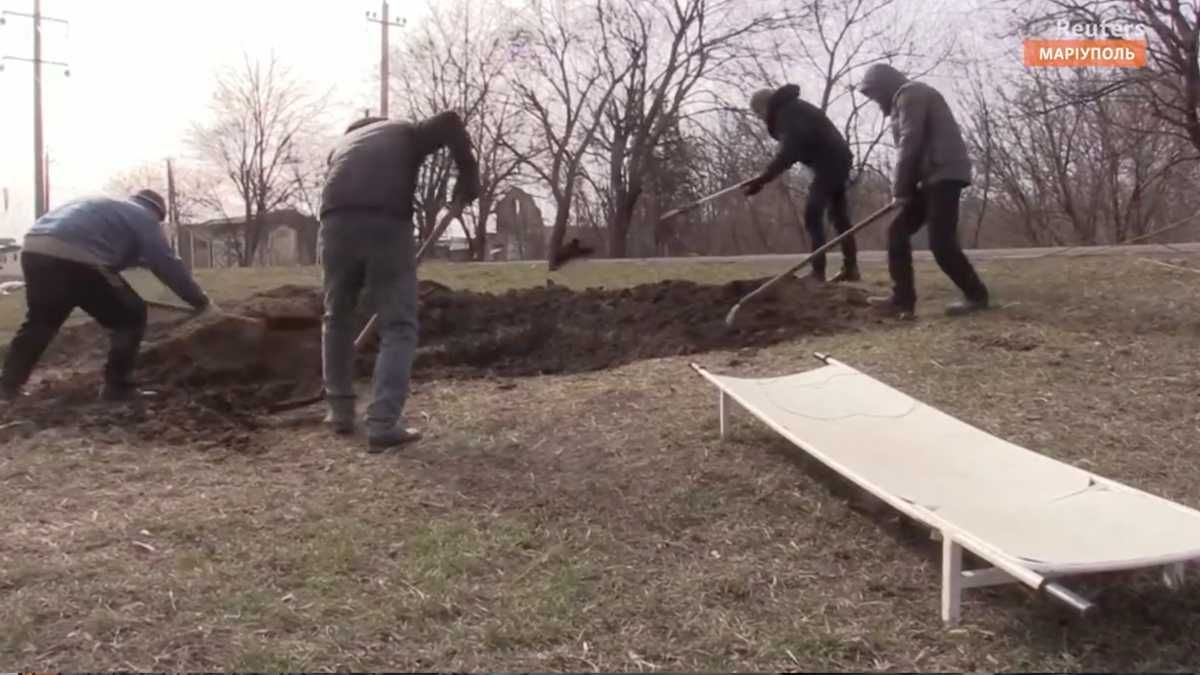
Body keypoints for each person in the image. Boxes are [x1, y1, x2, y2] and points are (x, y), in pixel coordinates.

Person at [319, 111, 480, 452]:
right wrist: (468, 178)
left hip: (333, 225)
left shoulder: (342, 146)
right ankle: (382, 424)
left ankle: (339, 410)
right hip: (386, 222)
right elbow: (451, 121)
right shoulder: (403, 130)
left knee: (337, 317)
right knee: (398, 325)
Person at [0, 189, 215, 402]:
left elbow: (120, 255)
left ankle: (7, 386)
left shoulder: (108, 208)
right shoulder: (144, 217)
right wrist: (200, 300)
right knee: (131, 315)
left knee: (41, 322)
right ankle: (118, 388)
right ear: (158, 213)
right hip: (77, 257)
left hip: (34, 249)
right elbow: (166, 263)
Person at [856, 64, 990, 318]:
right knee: (897, 231)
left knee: (941, 243)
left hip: (944, 174)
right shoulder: (904, 100)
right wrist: (909, 186)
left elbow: (910, 141)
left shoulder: (911, 94)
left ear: (886, 86)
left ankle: (976, 296)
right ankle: (902, 301)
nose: (876, 101)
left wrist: (900, 189)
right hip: (928, 178)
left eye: (875, 94)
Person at [743, 84, 860, 283]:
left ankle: (818, 272)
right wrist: (763, 178)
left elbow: (790, 151)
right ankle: (851, 270)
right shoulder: (792, 109)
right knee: (839, 217)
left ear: (764, 107)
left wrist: (764, 178)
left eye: (758, 114)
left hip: (830, 163)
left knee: (813, 214)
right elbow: (797, 147)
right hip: (836, 160)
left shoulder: (787, 113)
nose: (760, 118)